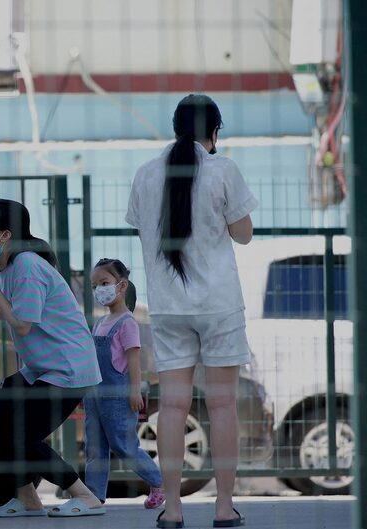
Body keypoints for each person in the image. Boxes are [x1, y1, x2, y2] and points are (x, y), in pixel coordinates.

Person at [126, 94, 257, 529]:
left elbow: (141, 225)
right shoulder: (223, 170)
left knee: (175, 407)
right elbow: (244, 235)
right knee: (221, 405)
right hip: (219, 304)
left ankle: (174, 510)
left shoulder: (146, 174)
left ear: (176, 127)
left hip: (168, 307)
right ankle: (223, 507)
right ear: (214, 130)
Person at [0, 198, 105, 518]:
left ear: (5, 235)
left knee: (20, 434)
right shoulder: (4, 267)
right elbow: (22, 313)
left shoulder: (25, 265)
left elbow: (23, 324)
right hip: (40, 368)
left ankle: (85, 495)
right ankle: (28, 499)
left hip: (68, 368)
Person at [83, 258, 164, 510]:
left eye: (104, 283)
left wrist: (134, 391)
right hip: (95, 395)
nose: (99, 290)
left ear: (121, 285)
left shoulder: (127, 323)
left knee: (124, 445)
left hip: (118, 396)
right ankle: (93, 496)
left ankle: (159, 482)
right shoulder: (99, 322)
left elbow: (134, 360)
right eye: (95, 285)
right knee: (95, 447)